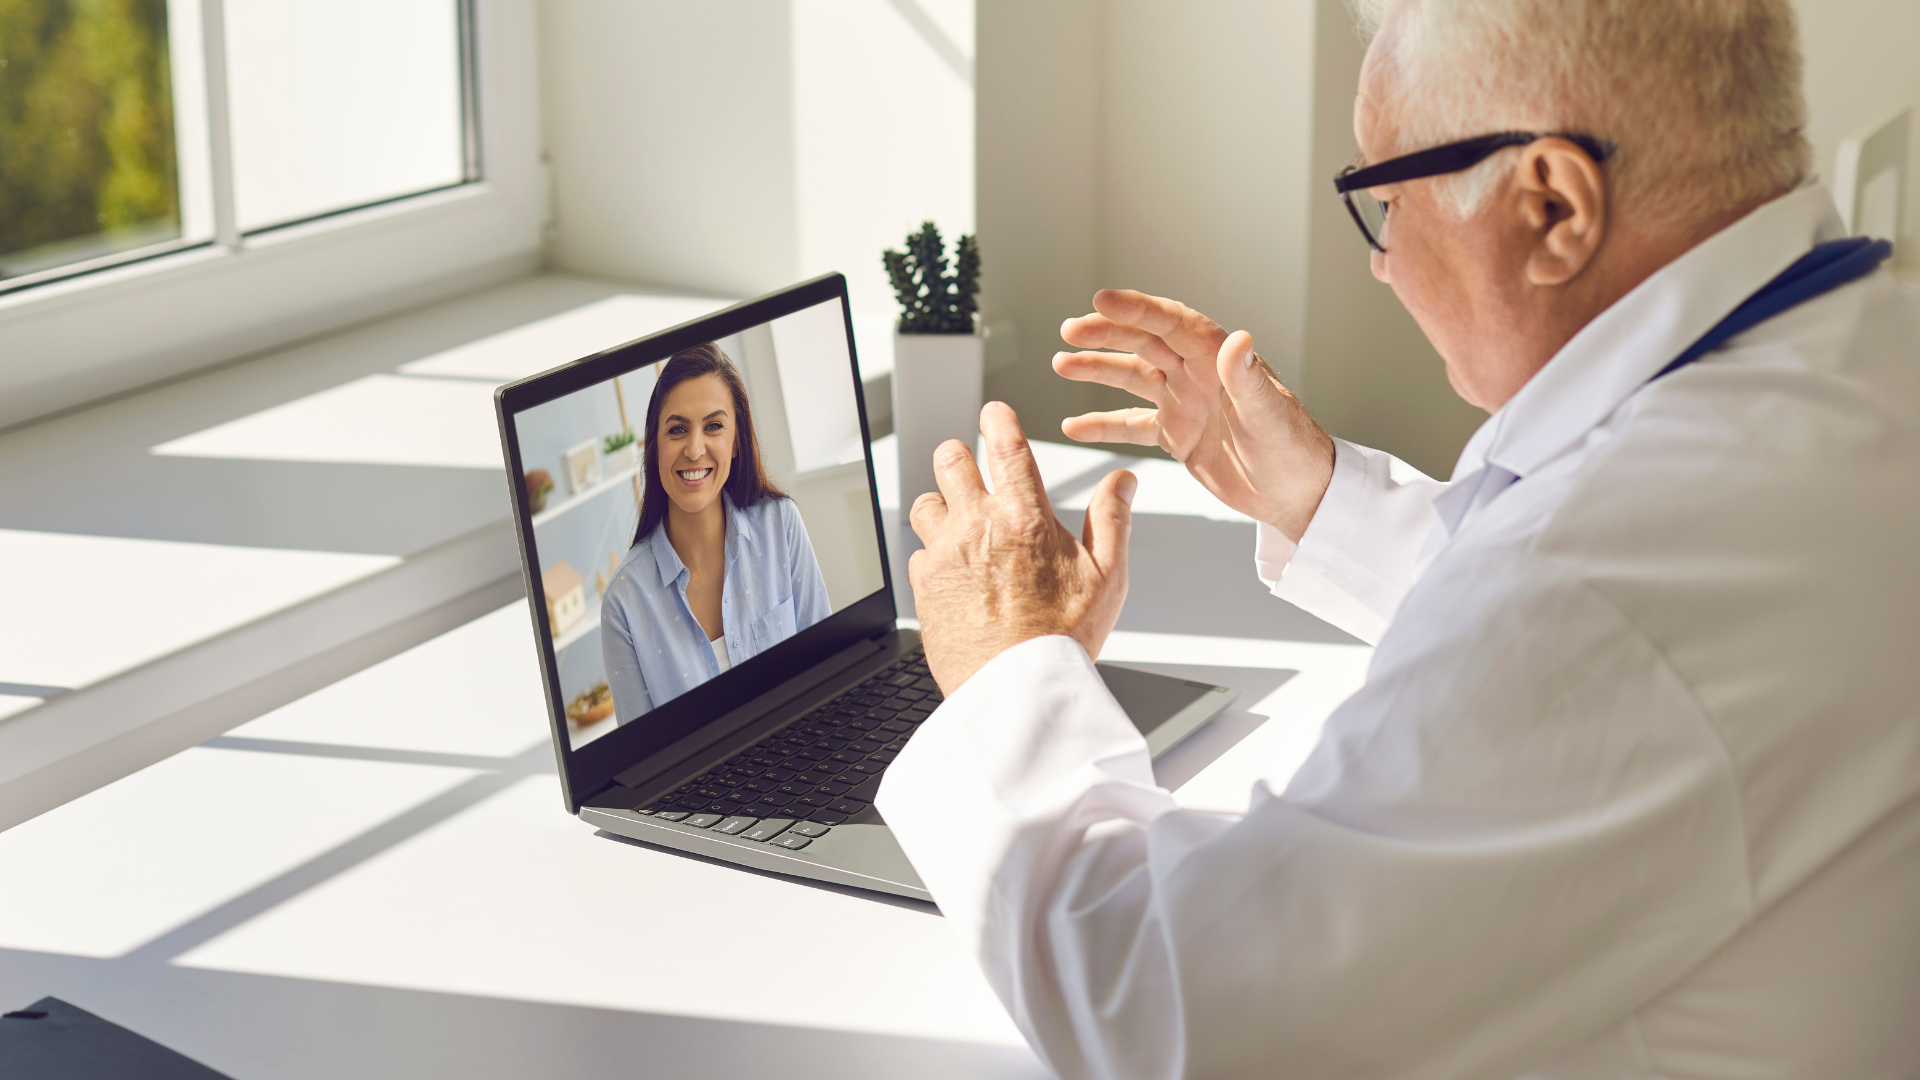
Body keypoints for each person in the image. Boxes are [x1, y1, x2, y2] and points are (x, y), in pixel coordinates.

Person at [877, 0, 1920, 1076]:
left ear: (1553, 206)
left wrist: (1008, 667)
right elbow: (1613, 663)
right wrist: (1321, 500)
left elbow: (1172, 1013)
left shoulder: (1595, 591)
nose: (1382, 264)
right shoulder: (1861, 357)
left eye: (1385, 200)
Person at [601, 343, 831, 721]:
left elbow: (830, 671)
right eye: (677, 429)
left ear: (736, 439)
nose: (695, 449)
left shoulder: (781, 524)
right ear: (654, 446)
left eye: (714, 426)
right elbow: (644, 766)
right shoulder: (623, 603)